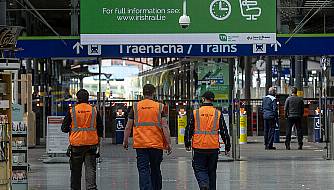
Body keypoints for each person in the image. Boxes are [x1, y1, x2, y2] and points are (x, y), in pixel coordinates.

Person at [123, 84, 172, 190]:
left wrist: (125, 140)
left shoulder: (136, 107)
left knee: (143, 169)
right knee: (155, 168)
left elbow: (128, 126)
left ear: (143, 93)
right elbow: (164, 126)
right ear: (153, 93)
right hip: (156, 144)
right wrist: (168, 143)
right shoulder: (159, 106)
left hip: (141, 145)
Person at [184, 91, 231, 190]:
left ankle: (204, 184)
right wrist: (227, 146)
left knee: (199, 168)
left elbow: (189, 128)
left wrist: (187, 142)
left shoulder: (196, 113)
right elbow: (224, 131)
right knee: (212, 171)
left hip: (199, 147)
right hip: (213, 147)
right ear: (212, 100)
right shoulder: (217, 113)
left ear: (203, 99)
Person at [61, 89, 103, 190]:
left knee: (75, 171)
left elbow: (64, 128)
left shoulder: (72, 111)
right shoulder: (94, 110)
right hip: (91, 145)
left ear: (77, 98)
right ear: (88, 98)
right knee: (90, 169)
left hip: (76, 145)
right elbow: (100, 128)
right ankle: (91, 188)